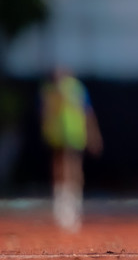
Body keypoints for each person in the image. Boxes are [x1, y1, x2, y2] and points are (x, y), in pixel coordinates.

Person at [41, 66, 101, 231]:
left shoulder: (77, 89)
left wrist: (93, 135)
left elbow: (87, 113)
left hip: (74, 134)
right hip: (58, 135)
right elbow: (46, 113)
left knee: (73, 169)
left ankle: (73, 206)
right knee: (60, 168)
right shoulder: (50, 91)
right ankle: (62, 206)